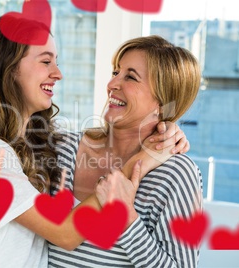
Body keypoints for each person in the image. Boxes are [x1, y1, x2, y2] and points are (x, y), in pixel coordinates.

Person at [0, 16, 190, 268]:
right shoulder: (42, 150)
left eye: (130, 77)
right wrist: (139, 163)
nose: (58, 74)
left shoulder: (35, 145)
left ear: (163, 102)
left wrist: (166, 130)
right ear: (6, 69)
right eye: (45, 61)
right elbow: (64, 234)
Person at [48, 35, 203, 268]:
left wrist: (127, 218)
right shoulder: (63, 148)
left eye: (130, 77)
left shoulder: (176, 174)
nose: (112, 84)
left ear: (163, 102)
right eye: (115, 73)